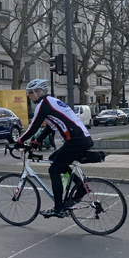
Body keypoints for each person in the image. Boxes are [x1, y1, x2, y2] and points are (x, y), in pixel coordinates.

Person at [16, 79, 92, 218]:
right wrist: (36, 142)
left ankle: (59, 208)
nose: (29, 96)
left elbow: (34, 126)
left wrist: (19, 141)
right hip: (82, 139)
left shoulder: (43, 104)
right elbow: (50, 126)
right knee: (53, 159)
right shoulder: (52, 101)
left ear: (37, 92)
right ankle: (80, 187)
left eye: (30, 93)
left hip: (75, 140)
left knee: (54, 170)